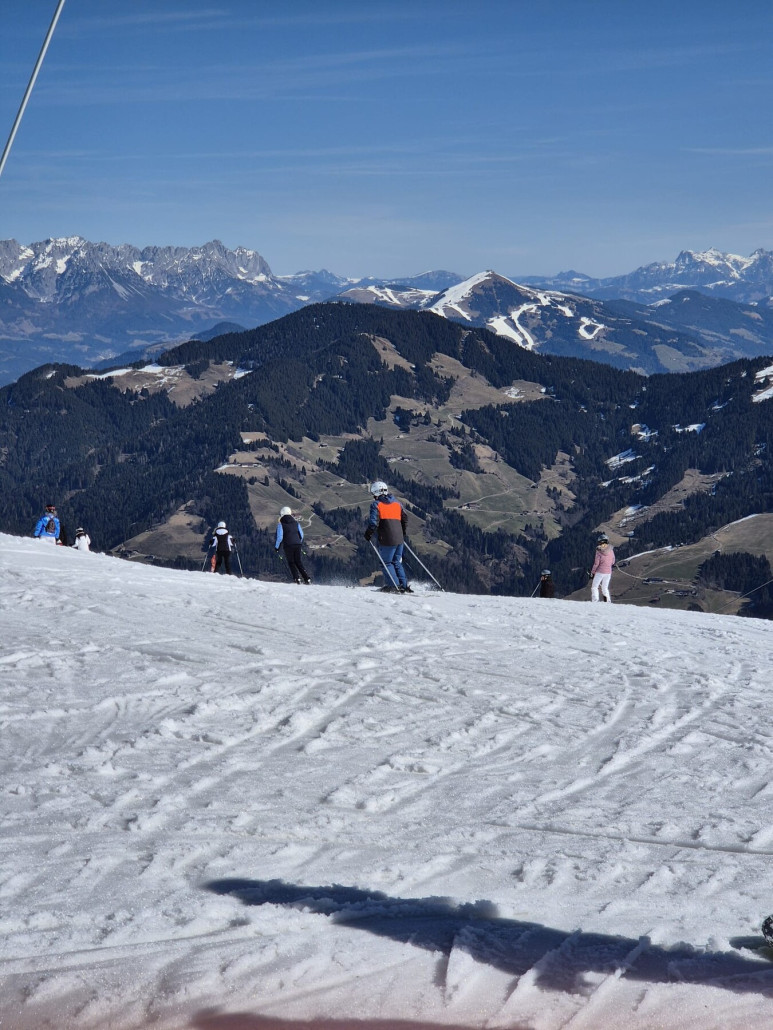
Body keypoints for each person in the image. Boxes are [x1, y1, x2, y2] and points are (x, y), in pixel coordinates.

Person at [364, 481, 411, 593]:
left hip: (387, 538)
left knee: (386, 562)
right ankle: (403, 585)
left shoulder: (376, 504)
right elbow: (405, 519)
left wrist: (368, 533)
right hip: (399, 538)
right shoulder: (397, 503)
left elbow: (373, 523)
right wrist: (402, 533)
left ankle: (393, 586)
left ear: (375, 493)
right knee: (396, 561)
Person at [275, 506, 311, 584]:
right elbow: (301, 534)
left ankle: (297, 579)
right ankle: (307, 578)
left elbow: (280, 537)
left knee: (291, 562)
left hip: (288, 545)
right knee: (298, 562)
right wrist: (299, 542)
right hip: (298, 544)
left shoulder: (281, 524)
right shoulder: (296, 523)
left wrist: (276, 547)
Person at [590, 535, 615, 603]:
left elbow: (596, 564)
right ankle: (607, 601)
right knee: (605, 588)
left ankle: (595, 601)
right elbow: (613, 562)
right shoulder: (611, 550)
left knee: (594, 587)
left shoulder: (599, 551)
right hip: (608, 572)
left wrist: (592, 573)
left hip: (600, 572)